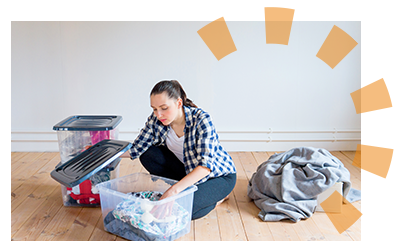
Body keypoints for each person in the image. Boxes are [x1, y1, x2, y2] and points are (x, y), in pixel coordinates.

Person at [121, 80, 236, 220]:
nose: (159, 114)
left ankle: (219, 198)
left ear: (179, 103)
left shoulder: (201, 119)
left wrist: (173, 191)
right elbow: (136, 148)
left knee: (183, 210)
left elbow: (205, 167)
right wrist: (104, 153)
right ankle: (186, 189)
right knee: (147, 153)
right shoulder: (157, 119)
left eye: (164, 108)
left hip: (217, 176)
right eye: (154, 109)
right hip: (188, 170)